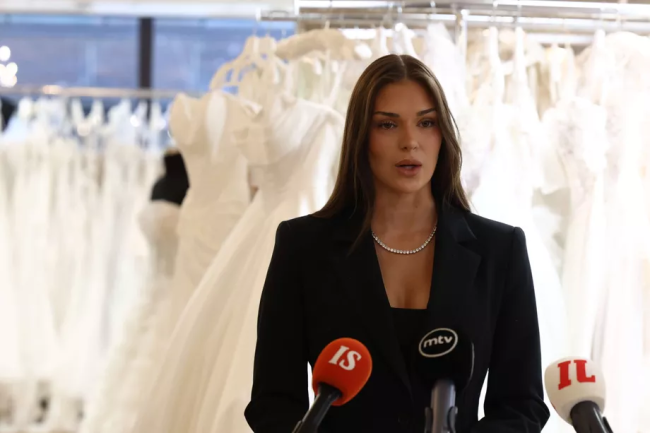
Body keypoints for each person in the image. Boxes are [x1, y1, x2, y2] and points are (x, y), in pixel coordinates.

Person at [244, 54, 550, 433]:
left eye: (426, 123)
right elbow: (272, 403)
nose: (410, 142)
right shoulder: (303, 247)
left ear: (443, 135)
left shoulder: (500, 249)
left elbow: (522, 405)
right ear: (361, 137)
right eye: (387, 125)